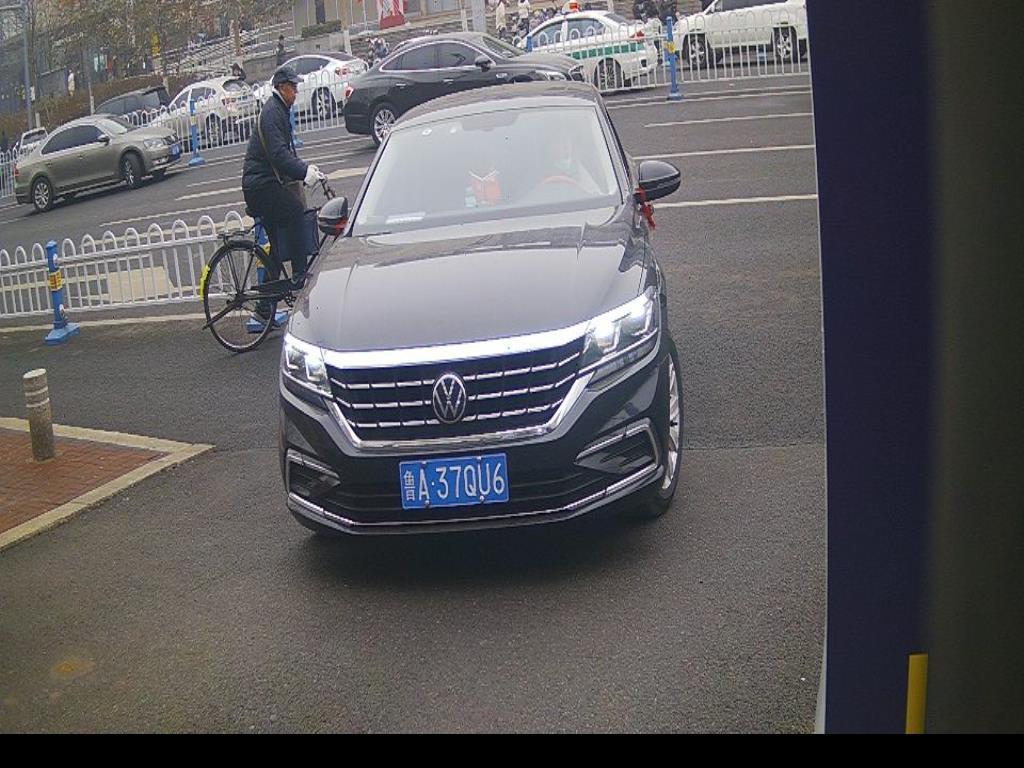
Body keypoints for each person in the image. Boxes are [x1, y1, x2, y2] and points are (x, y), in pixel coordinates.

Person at [241, 65, 325, 325]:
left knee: (276, 249)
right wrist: (303, 172)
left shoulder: (278, 110)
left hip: (263, 184)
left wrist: (306, 169)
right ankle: (300, 273)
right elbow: (278, 154)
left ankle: (264, 308)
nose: (296, 92)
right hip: (260, 186)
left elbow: (286, 154)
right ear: (282, 88)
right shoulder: (272, 113)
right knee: (295, 211)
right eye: (293, 88)